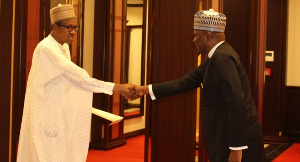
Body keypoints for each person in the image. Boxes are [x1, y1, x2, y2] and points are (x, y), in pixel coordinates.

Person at [135, 9, 265, 162]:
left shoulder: (221, 58)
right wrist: (143, 90)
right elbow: (183, 83)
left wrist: (236, 148)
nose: (194, 40)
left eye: (196, 35)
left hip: (237, 143)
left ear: (208, 36)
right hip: (227, 137)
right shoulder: (213, 58)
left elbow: (236, 101)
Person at [17, 4, 137, 162]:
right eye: (68, 27)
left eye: (75, 27)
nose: (73, 32)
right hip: (48, 115)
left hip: (61, 113)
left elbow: (70, 81)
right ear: (54, 26)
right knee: (47, 155)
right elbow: (77, 76)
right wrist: (117, 87)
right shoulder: (46, 48)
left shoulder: (63, 47)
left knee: (62, 153)